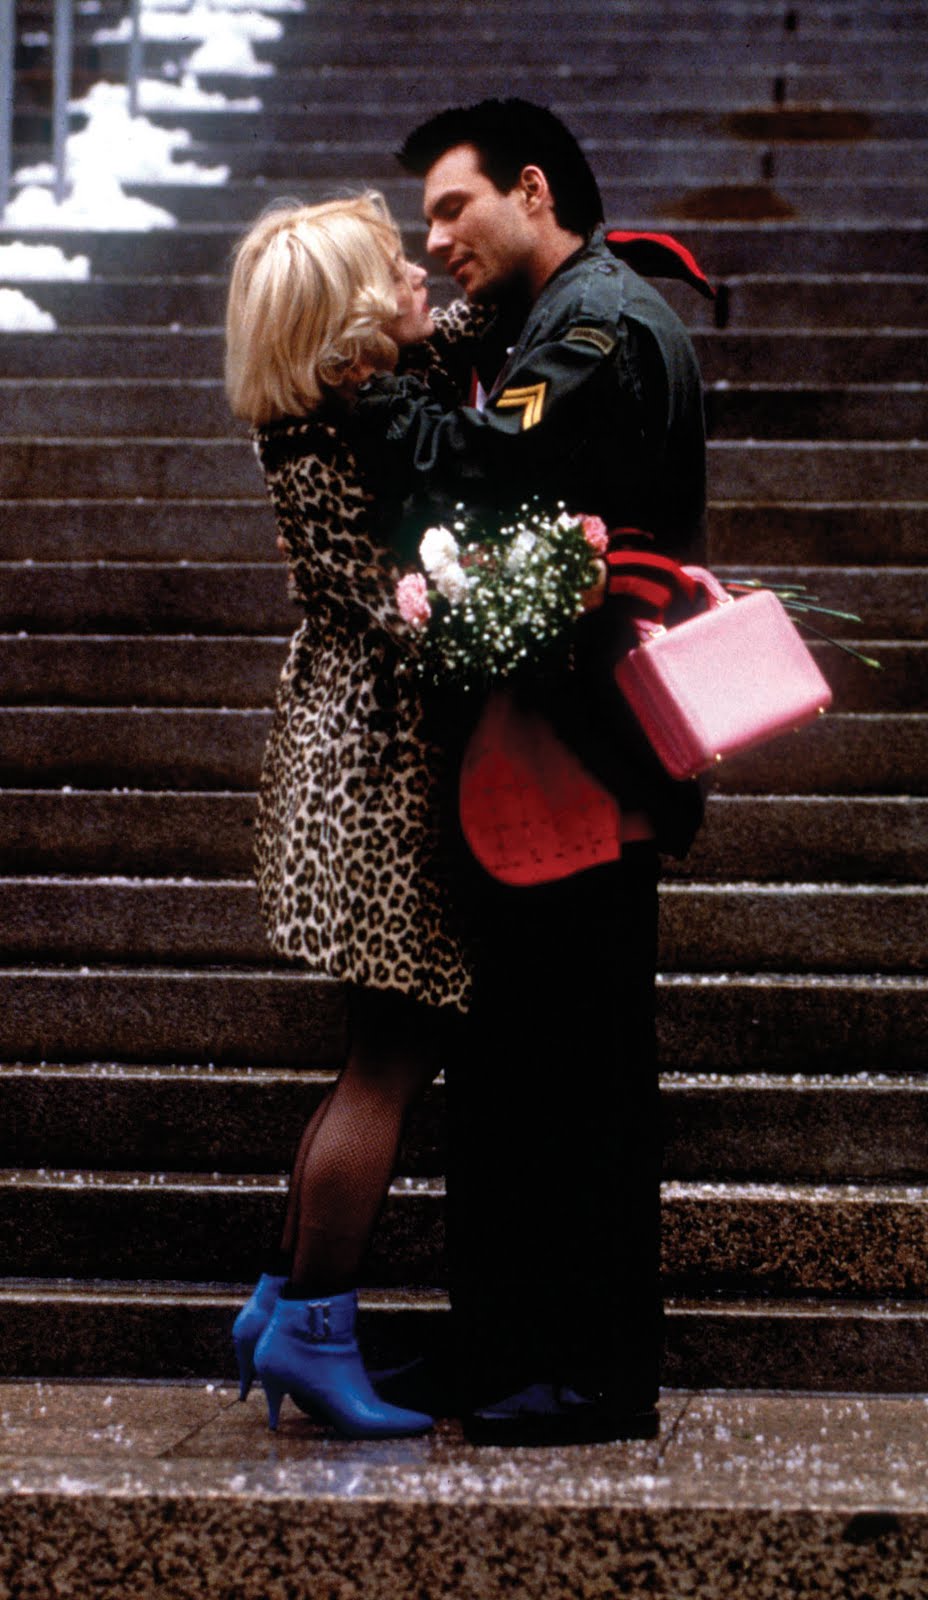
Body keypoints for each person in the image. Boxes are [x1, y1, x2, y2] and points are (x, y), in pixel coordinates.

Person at [382, 98, 710, 1444]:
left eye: (453, 207)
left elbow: (481, 462)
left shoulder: (598, 324)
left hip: (589, 747)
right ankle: (502, 1342)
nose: (435, 239)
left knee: (580, 1076)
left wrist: (378, 385)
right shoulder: (557, 316)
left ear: (532, 188)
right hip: (538, 746)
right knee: (513, 1069)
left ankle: (596, 1371)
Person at [223, 194, 479, 1439]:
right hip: (377, 773)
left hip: (348, 760)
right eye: (393, 271)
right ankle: (316, 1328)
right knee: (389, 1061)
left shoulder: (329, 407)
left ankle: (281, 1304)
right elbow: (411, 615)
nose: (424, 272)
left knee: (368, 1056)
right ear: (350, 333)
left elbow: (453, 327)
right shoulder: (349, 437)